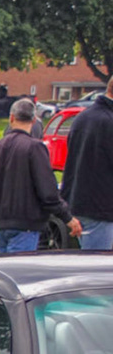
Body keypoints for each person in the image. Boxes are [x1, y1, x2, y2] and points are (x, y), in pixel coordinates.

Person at [0, 98, 80, 254]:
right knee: (18, 266)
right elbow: (48, 192)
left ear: (11, 118)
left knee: (5, 265)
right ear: (34, 120)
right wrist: (67, 218)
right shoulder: (35, 148)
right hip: (26, 223)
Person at [61, 83, 113, 252]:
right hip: (101, 207)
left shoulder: (82, 117)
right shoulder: (108, 121)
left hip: (78, 200)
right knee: (97, 262)